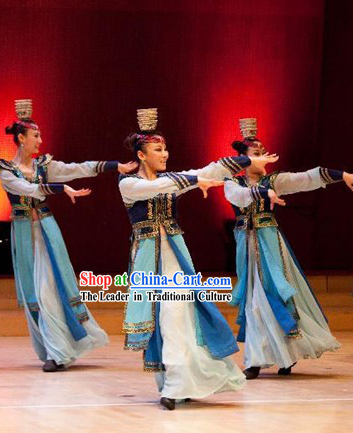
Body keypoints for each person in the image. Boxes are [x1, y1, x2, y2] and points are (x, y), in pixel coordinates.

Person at [119, 108, 277, 410]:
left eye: (165, 148)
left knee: (178, 319)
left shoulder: (172, 179)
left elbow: (207, 172)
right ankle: (172, 384)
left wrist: (245, 162)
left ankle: (178, 384)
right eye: (157, 149)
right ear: (141, 155)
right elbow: (162, 186)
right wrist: (196, 178)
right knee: (163, 322)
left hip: (176, 258)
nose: (165, 153)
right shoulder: (128, 185)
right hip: (148, 262)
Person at [0, 99, 137, 372]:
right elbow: (27, 189)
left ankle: (59, 353)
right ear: (21, 139)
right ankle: (52, 349)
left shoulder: (43, 166)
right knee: (36, 292)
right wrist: (62, 190)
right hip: (25, 235)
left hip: (47, 231)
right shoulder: (5, 170)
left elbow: (77, 168)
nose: (40, 140)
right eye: (36, 135)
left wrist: (113, 166)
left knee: (50, 287)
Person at [223, 118, 349, 379]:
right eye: (257, 154)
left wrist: (342, 175)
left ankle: (268, 358)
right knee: (253, 300)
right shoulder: (232, 183)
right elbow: (239, 198)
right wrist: (262, 193)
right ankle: (259, 357)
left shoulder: (275, 180)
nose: (264, 158)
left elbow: (306, 178)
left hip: (270, 244)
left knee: (272, 297)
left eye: (264, 153)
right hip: (246, 245)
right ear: (243, 159)